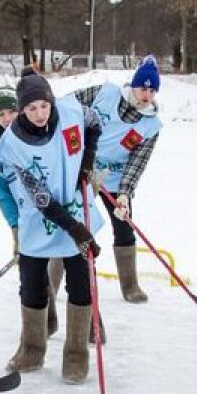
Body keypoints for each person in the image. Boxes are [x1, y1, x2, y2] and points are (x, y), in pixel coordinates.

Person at [0, 66, 103, 384]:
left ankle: (77, 356)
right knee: (32, 285)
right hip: (39, 217)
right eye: (31, 108)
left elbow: (94, 123)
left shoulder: (69, 110)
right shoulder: (11, 143)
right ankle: (32, 350)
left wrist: (88, 160)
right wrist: (76, 230)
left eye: (44, 106)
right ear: (22, 110)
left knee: (80, 284)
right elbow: (40, 198)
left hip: (76, 206)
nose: (39, 114)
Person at [66, 54, 163, 304]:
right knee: (74, 224)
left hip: (114, 177)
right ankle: (52, 281)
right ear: (134, 85)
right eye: (144, 88)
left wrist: (125, 194)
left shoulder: (150, 125)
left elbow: (137, 163)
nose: (147, 94)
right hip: (84, 167)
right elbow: (67, 106)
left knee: (124, 226)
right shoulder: (105, 93)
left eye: (152, 91)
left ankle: (130, 286)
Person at [0, 85, 61, 337]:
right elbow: (2, 191)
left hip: (56, 207)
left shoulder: (41, 131)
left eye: (11, 111)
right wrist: (14, 224)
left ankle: (91, 324)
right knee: (31, 271)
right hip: (26, 215)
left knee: (72, 264)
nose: (6, 118)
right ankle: (46, 323)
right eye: (0, 114)